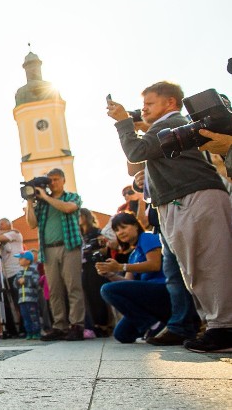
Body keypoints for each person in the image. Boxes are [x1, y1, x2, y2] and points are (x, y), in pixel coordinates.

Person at [108, 82, 232, 352]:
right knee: (194, 270)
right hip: (179, 201)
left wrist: (122, 122)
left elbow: (136, 152)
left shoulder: (173, 122)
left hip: (194, 197)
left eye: (150, 104)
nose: (144, 109)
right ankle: (216, 326)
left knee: (209, 266)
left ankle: (223, 326)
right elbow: (136, 162)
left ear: (171, 103)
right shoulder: (162, 127)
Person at [25, 168, 86, 341]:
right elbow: (31, 224)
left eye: (56, 179)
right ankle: (59, 325)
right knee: (54, 290)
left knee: (73, 286)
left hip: (69, 246)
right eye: (50, 180)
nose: (53, 183)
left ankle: (77, 325)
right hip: (48, 249)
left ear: (64, 180)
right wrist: (30, 202)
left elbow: (68, 209)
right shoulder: (42, 204)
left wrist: (45, 196)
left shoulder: (72, 197)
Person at [96, 212, 171, 344]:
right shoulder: (133, 254)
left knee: (106, 290)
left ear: (136, 226)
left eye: (124, 227)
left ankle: (152, 325)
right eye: (117, 230)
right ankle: (159, 323)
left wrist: (121, 267)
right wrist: (110, 274)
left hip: (162, 291)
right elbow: (128, 283)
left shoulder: (147, 237)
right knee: (122, 334)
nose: (120, 232)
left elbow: (154, 264)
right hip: (147, 297)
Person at [78, 208, 111, 335]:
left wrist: (93, 252)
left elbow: (104, 249)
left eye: (79, 216)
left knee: (97, 295)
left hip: (95, 265)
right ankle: (94, 324)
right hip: (83, 267)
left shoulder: (97, 232)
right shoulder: (79, 235)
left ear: (86, 216)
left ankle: (103, 325)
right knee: (88, 297)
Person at [0, 217, 24, 338]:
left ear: (9, 225)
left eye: (3, 224)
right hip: (5, 273)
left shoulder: (15, 234)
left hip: (16, 271)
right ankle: (11, 328)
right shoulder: (6, 233)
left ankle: (23, 327)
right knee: (6, 302)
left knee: (18, 301)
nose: (0, 226)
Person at [13, 251, 41, 339]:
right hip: (22, 299)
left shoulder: (34, 270)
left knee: (33, 316)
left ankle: (36, 332)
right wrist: (18, 282)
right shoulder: (19, 272)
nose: (19, 260)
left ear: (28, 261)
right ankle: (29, 332)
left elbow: (36, 282)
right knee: (25, 316)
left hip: (31, 299)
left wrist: (26, 281)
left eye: (21, 259)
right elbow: (15, 284)